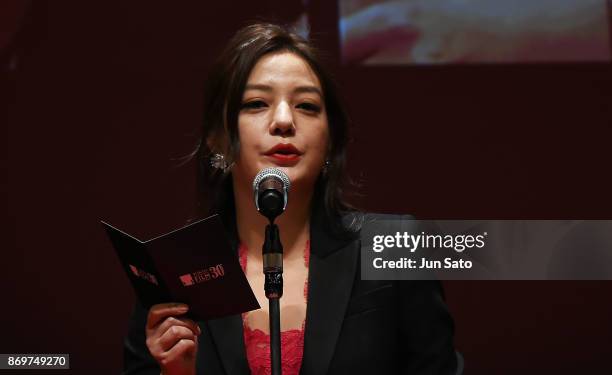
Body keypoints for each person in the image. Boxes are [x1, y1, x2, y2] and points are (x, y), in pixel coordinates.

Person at [122, 22, 461, 375]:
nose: (284, 121)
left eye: (307, 106)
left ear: (330, 141)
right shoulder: (175, 271)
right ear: (218, 139)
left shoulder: (395, 247)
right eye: (256, 103)